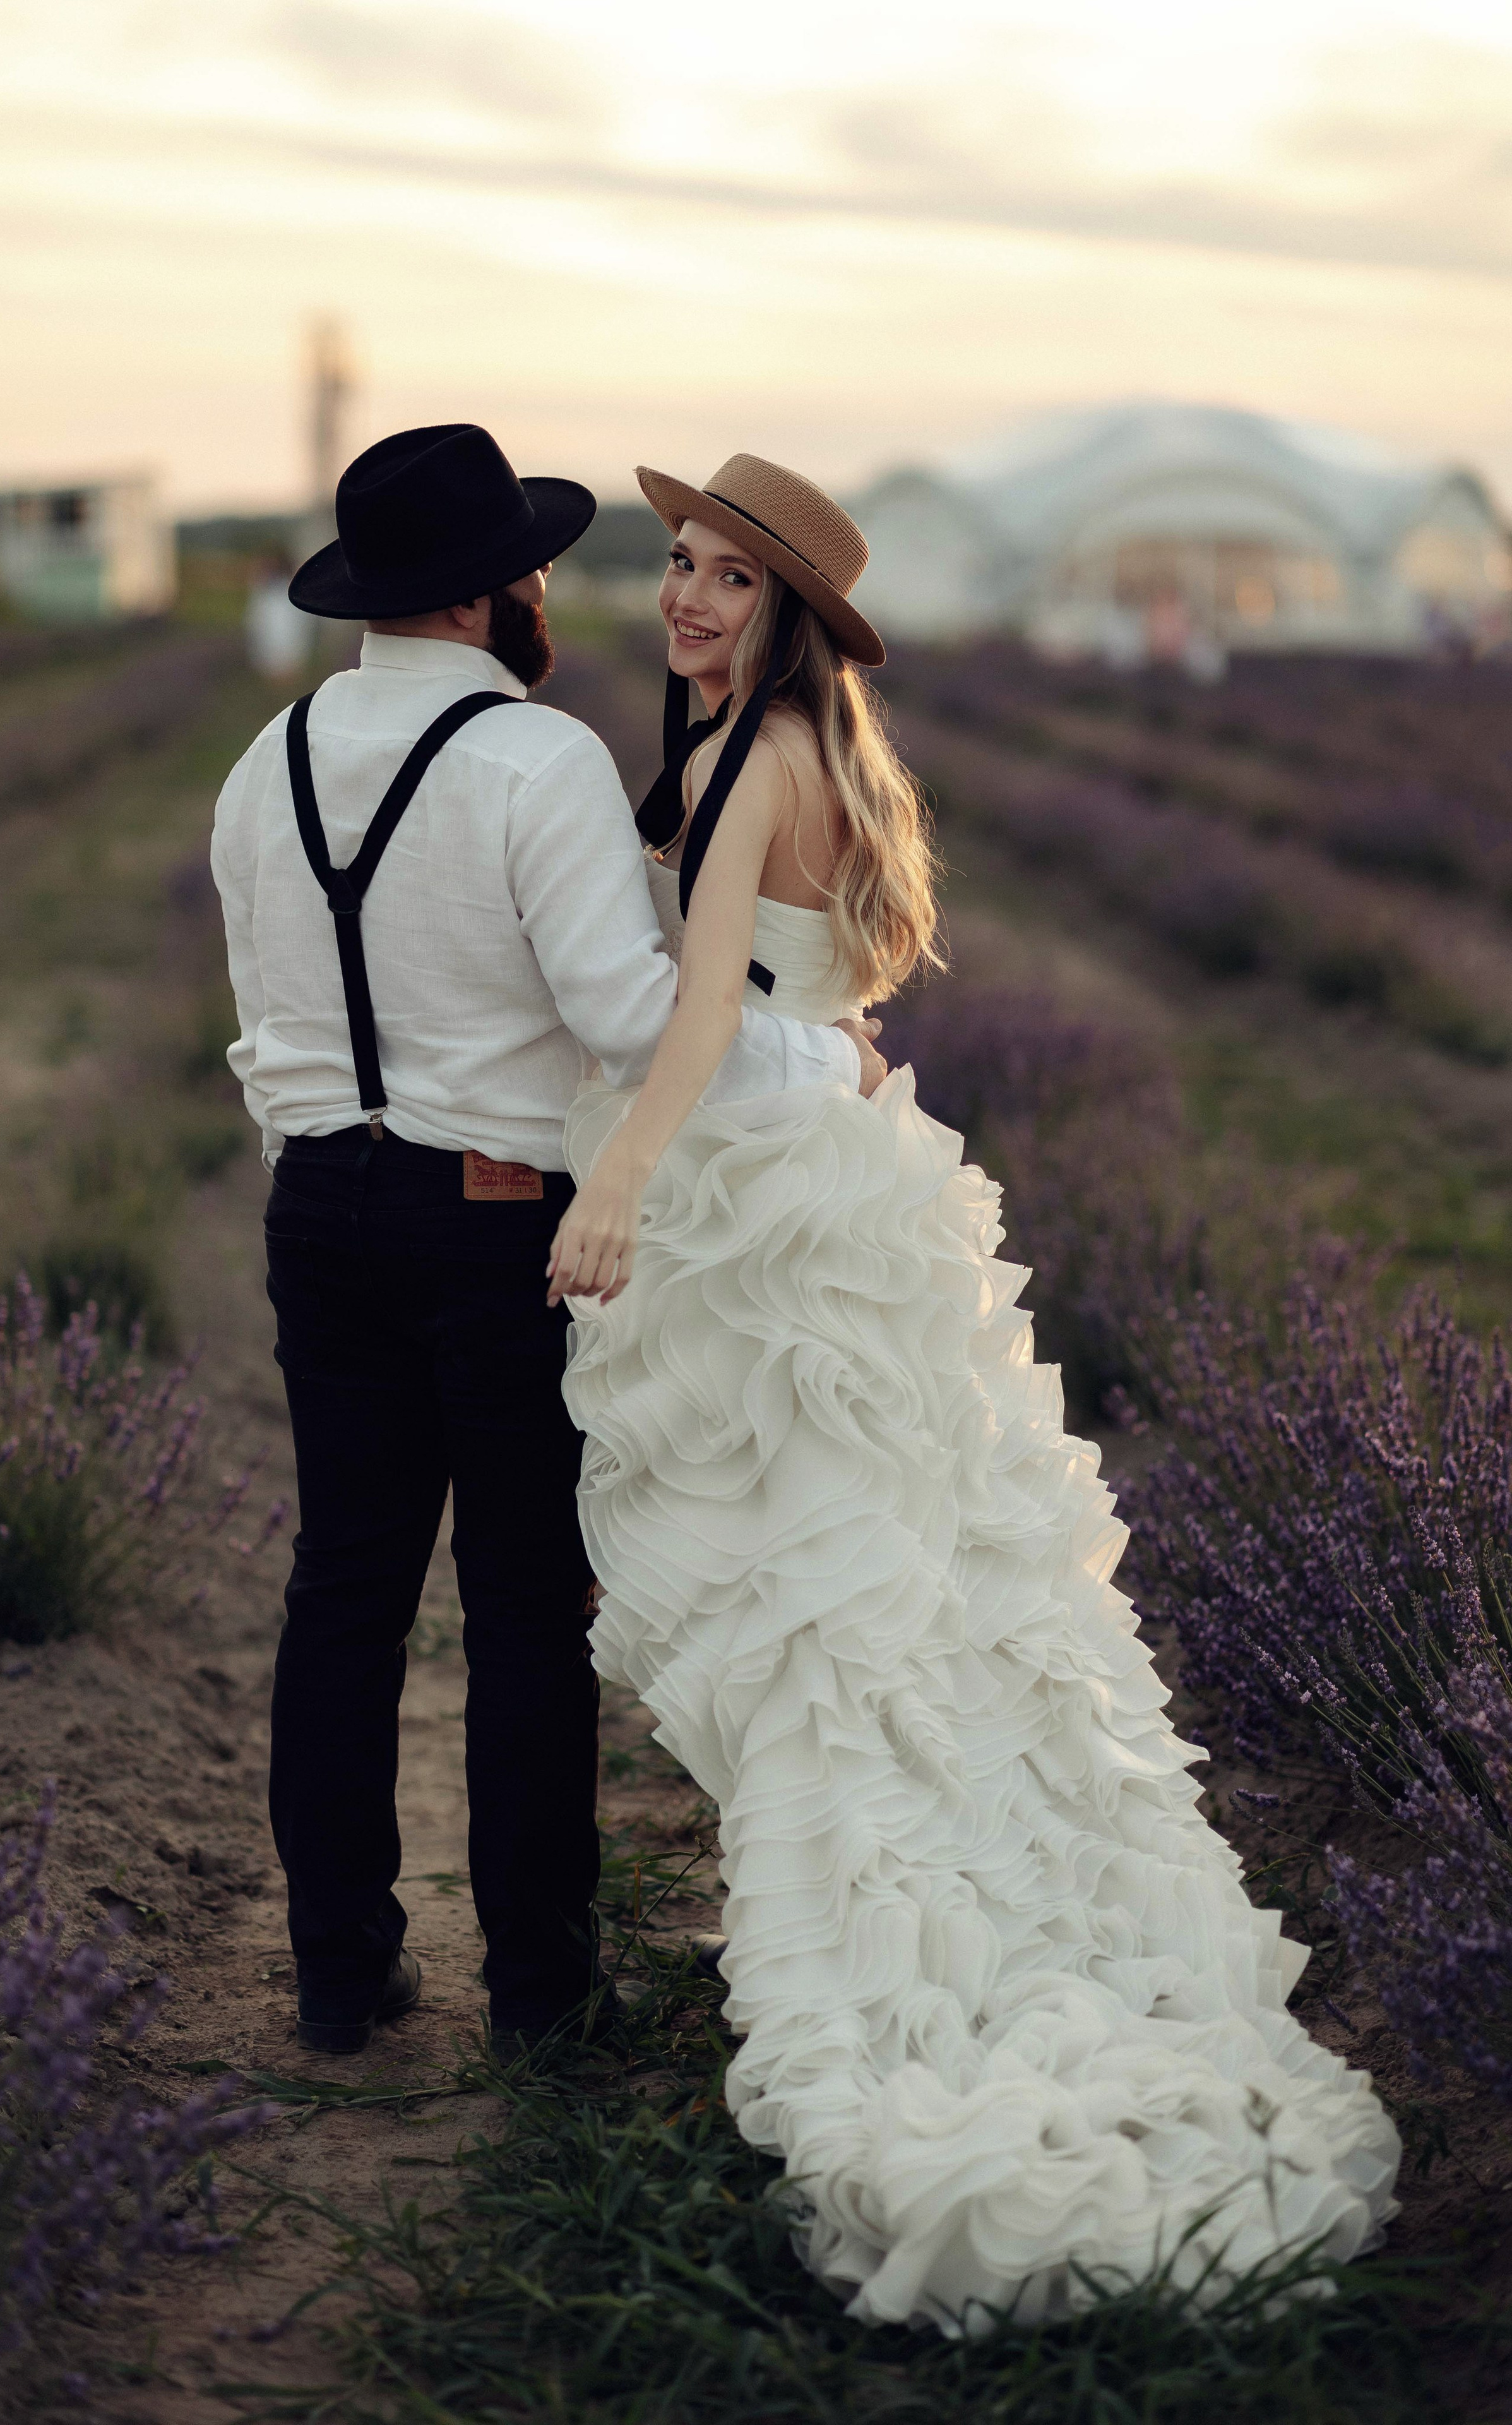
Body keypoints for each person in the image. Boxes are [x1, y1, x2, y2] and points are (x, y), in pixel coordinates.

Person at [550, 453, 1401, 2330]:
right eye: (678, 564)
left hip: (767, 1201)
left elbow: (710, 1005)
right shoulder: (807, 750)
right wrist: (818, 1060)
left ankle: (880, 1935)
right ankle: (900, 1874)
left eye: (726, 578)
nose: (685, 597)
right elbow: (813, 995)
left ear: (787, 615)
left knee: (822, 1591)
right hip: (829, 1167)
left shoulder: (755, 754)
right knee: (873, 1573)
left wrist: (616, 1179)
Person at [210, 425, 884, 2059]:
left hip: (318, 1208)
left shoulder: (261, 764)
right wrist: (818, 1057)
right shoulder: (537, 759)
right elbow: (634, 1017)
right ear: (486, 595)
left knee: (344, 1591)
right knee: (522, 1608)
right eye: (527, 565)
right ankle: (538, 1999)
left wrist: (332, 1154)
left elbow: (258, 1033)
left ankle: (340, 1972)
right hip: (496, 1219)